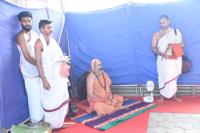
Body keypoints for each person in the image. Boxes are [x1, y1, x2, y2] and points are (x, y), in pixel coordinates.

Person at [35, 20, 70, 129]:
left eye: (51, 27)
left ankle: (59, 124)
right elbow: (38, 63)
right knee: (50, 103)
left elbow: (59, 56)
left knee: (61, 98)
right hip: (48, 78)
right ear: (41, 29)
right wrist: (44, 79)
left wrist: (64, 62)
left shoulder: (53, 41)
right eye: (48, 28)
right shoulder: (38, 43)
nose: (51, 30)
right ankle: (51, 126)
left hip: (58, 76)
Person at [16, 11, 43, 123]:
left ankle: (43, 119)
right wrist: (40, 66)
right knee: (34, 98)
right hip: (29, 72)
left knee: (41, 95)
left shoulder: (35, 34)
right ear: (20, 22)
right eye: (24, 21)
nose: (27, 23)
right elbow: (27, 56)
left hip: (39, 70)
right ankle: (36, 123)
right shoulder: (20, 36)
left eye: (29, 20)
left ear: (32, 21)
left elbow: (41, 50)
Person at [151, 15, 184, 102]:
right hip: (163, 60)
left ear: (168, 22)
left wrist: (176, 47)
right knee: (162, 76)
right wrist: (162, 54)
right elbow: (153, 48)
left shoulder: (176, 32)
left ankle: (174, 95)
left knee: (173, 76)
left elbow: (182, 44)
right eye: (160, 23)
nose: (162, 24)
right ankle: (162, 96)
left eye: (164, 22)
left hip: (174, 59)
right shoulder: (156, 34)